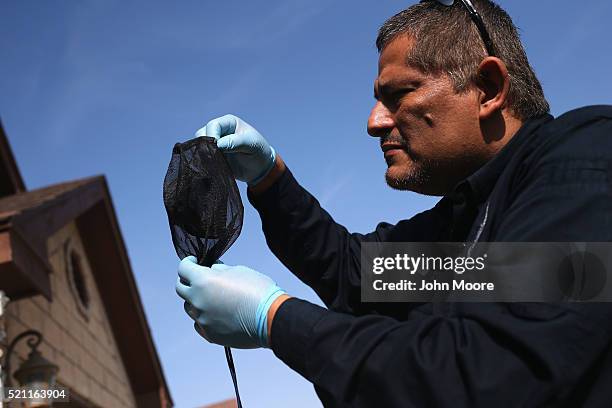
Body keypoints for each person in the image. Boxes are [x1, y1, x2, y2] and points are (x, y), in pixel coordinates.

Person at [175, 1, 612, 406]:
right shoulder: (476, 224)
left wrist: (274, 318)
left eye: (398, 94)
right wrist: (270, 180)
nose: (374, 122)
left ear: (489, 87)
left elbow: (484, 378)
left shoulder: (587, 162)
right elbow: (360, 274)